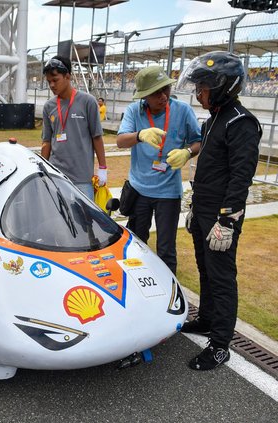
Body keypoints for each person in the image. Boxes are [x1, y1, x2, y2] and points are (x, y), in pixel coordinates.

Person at [177, 51, 262, 370]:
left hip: (221, 217)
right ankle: (208, 319)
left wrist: (227, 220)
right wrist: (195, 207)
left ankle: (221, 343)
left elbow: (241, 176)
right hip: (203, 211)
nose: (198, 93)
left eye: (203, 87)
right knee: (205, 271)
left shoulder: (241, 123)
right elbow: (210, 169)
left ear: (223, 86)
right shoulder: (214, 119)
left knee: (222, 277)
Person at [116, 66, 201, 275]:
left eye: (166, 89)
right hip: (139, 189)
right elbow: (120, 140)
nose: (163, 96)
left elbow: (199, 141)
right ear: (144, 96)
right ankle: (137, 281)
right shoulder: (134, 111)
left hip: (168, 193)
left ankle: (168, 290)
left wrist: (187, 152)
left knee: (166, 248)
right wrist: (140, 135)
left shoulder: (182, 110)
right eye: (156, 93)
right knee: (136, 243)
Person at [41, 55, 107, 201]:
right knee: (58, 220)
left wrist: (103, 168)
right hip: (56, 175)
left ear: (68, 76)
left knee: (84, 222)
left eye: (55, 80)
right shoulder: (48, 106)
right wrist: (42, 170)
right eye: (49, 82)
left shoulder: (87, 102)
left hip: (81, 178)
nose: (52, 85)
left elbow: (96, 136)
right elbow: (46, 141)